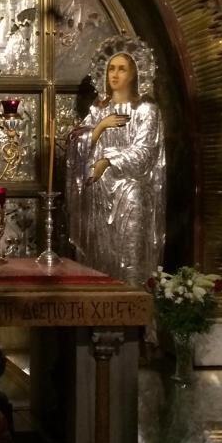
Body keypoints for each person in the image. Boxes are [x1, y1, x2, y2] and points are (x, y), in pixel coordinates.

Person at [65, 36, 166, 286]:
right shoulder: (98, 110)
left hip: (130, 195)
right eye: (111, 68)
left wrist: (107, 160)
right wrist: (100, 126)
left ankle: (131, 307)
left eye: (122, 69)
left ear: (135, 74)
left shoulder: (146, 110)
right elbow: (76, 144)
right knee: (99, 259)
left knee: (129, 259)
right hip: (98, 197)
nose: (115, 74)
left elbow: (144, 154)